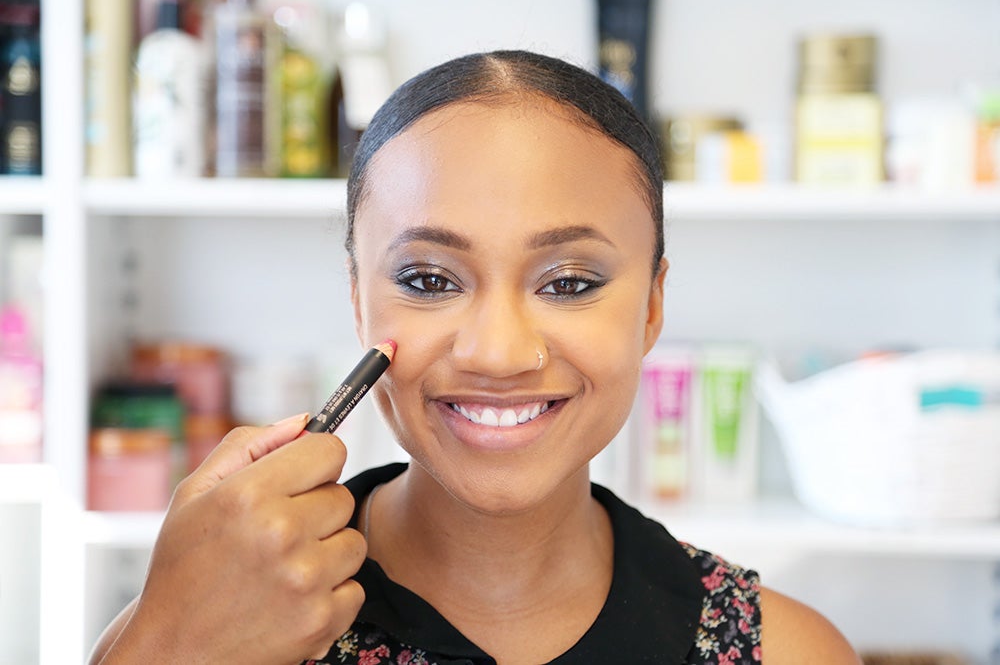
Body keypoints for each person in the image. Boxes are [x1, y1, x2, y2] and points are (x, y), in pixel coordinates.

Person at [91, 50, 861, 664]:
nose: (498, 353)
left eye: (569, 282)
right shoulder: (218, 616)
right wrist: (171, 644)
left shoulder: (785, 650)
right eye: (429, 280)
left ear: (652, 307)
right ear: (360, 302)